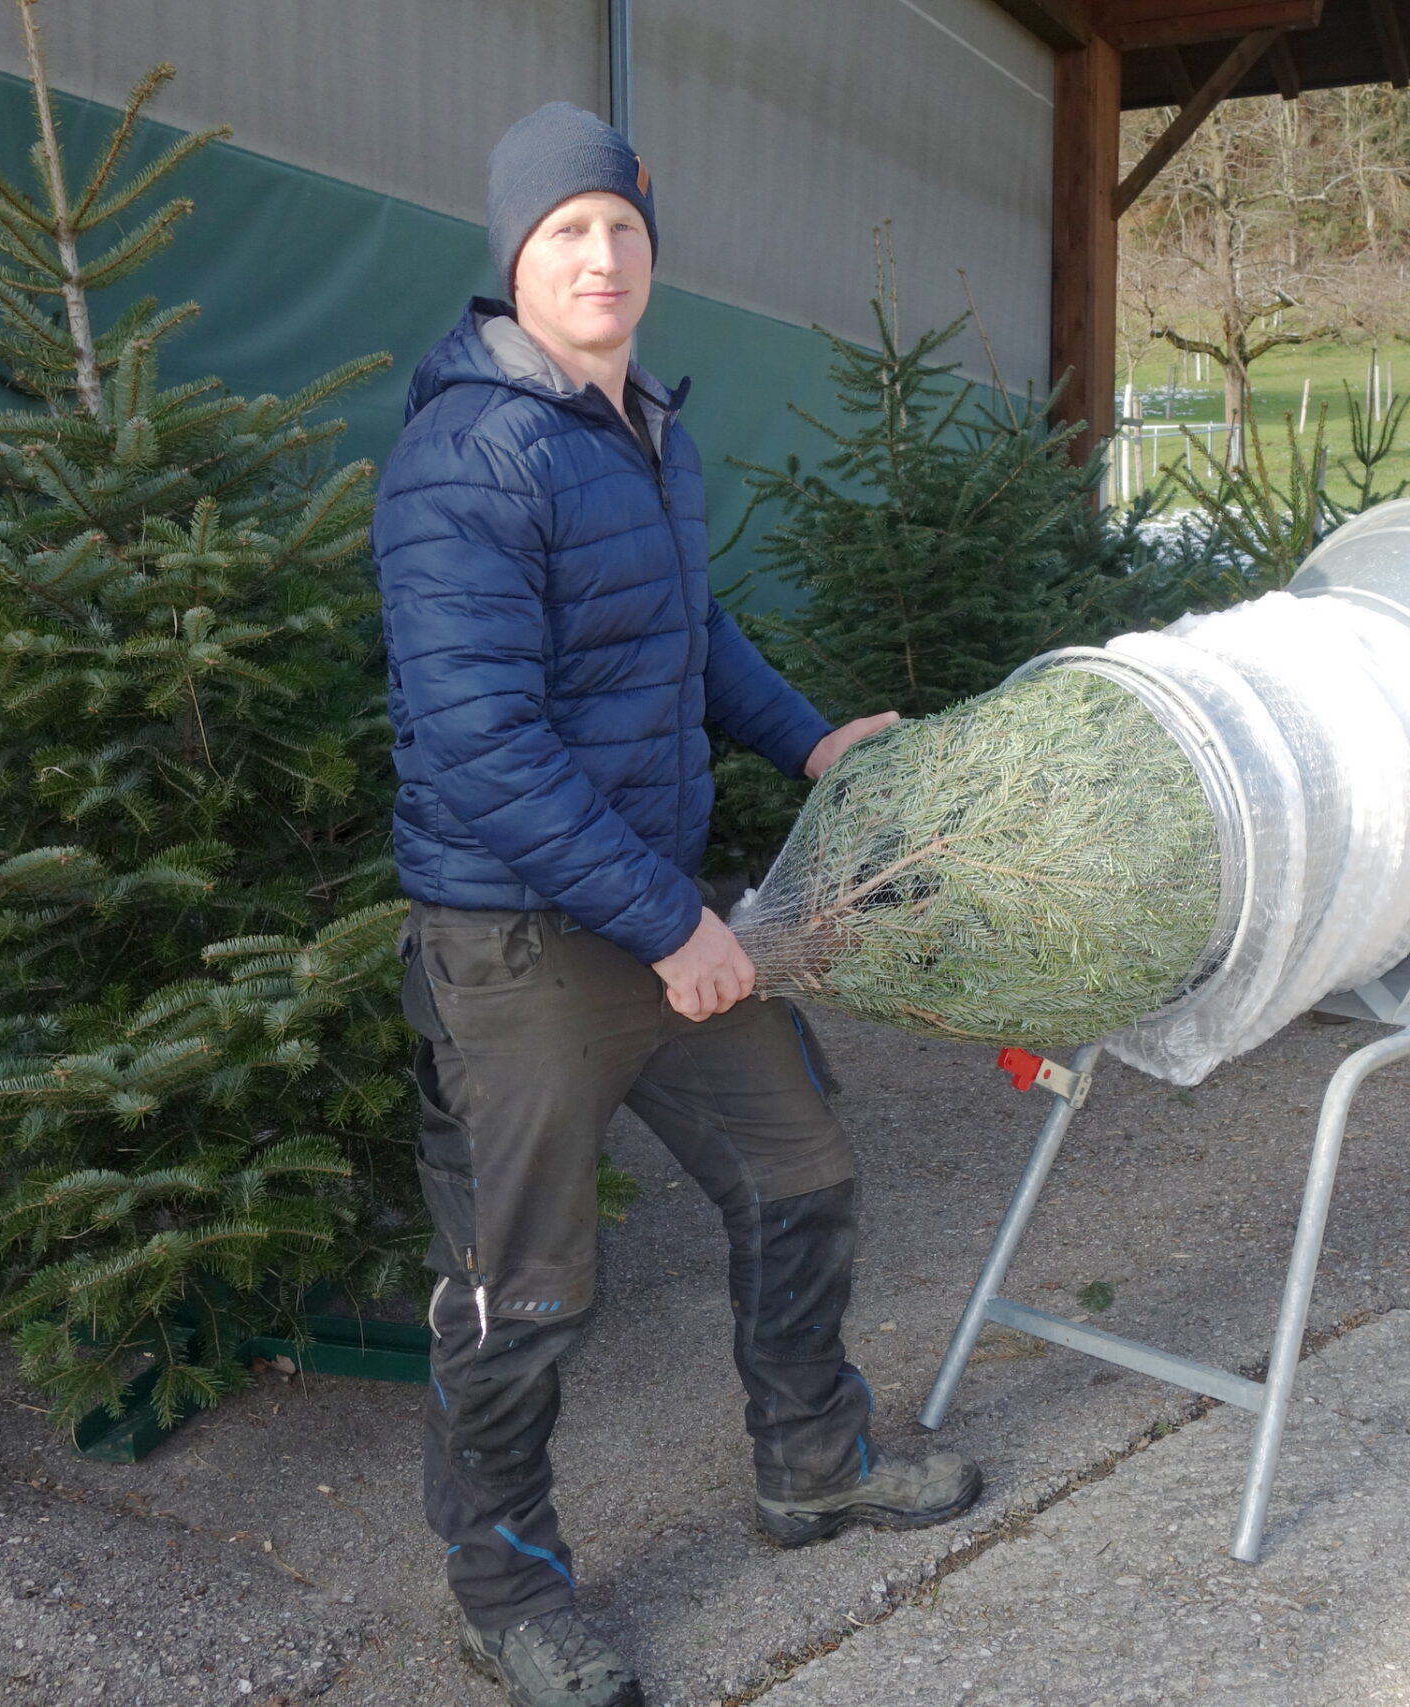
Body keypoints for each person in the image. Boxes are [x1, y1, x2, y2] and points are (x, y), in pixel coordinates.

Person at [372, 103, 981, 1707]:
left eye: (623, 229)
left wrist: (813, 742)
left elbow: (692, 637)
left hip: (655, 913)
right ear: (514, 254)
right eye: (567, 230)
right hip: (522, 940)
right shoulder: (470, 454)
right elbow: (484, 746)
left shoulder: (645, 426)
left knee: (802, 1172)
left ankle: (815, 1463)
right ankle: (508, 1593)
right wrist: (673, 926)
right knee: (522, 1292)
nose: (602, 256)